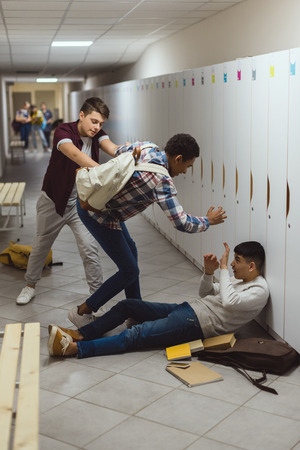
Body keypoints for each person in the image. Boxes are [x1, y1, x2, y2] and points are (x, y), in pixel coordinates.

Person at [67, 133, 227, 329]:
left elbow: (118, 150)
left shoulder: (146, 147)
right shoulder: (162, 182)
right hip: (98, 215)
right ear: (178, 159)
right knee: (129, 270)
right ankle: (82, 311)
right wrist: (208, 221)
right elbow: (181, 222)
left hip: (99, 207)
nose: (185, 171)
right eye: (187, 166)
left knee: (131, 252)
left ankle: (136, 313)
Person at [47, 241, 269, 358]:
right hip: (188, 310)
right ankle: (81, 333)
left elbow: (229, 302)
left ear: (251, 266)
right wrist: (209, 273)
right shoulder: (240, 281)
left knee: (136, 335)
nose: (231, 264)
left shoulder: (259, 291)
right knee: (127, 305)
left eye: (236, 261)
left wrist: (221, 269)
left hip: (196, 324)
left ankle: (76, 349)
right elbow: (206, 293)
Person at [16, 97, 122, 305]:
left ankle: (96, 297)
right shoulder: (64, 131)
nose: (97, 127)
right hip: (53, 201)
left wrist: (126, 152)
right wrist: (103, 171)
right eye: (93, 121)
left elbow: (111, 147)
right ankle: (29, 286)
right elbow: (74, 154)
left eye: (100, 124)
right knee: (41, 246)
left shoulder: (98, 134)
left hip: (80, 204)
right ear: (81, 115)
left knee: (89, 248)